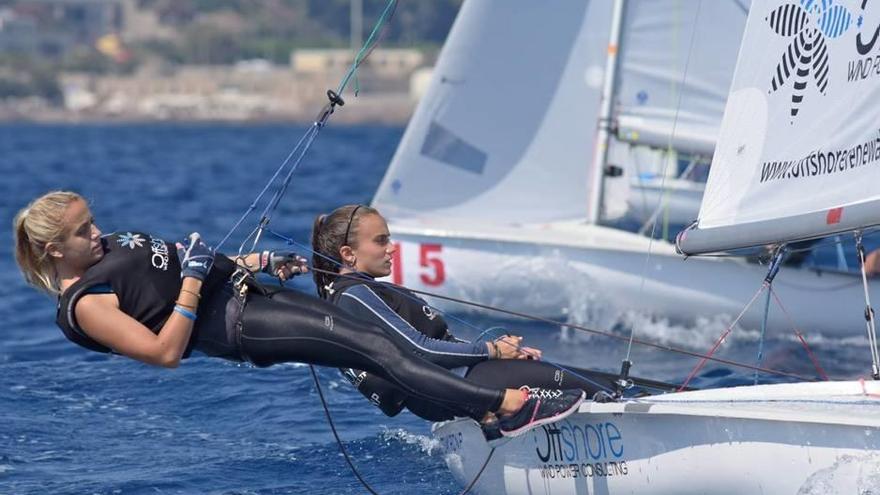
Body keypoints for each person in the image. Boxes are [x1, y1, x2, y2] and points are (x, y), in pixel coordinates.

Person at [13, 191, 585, 438]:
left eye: (91, 219)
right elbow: (164, 351)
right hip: (240, 327)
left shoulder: (107, 248)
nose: (97, 230)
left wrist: (253, 260)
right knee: (375, 346)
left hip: (248, 294)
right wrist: (192, 278)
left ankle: (472, 416)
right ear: (55, 251)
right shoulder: (85, 305)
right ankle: (501, 407)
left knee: (373, 348)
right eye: (82, 231)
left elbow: (182, 272)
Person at [311, 204, 615, 423]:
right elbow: (420, 349)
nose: (392, 248)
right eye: (381, 241)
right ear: (348, 254)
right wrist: (493, 351)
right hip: (457, 389)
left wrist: (503, 353)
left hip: (455, 388)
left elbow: (433, 345)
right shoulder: (355, 295)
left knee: (602, 383)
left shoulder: (355, 293)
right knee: (607, 390)